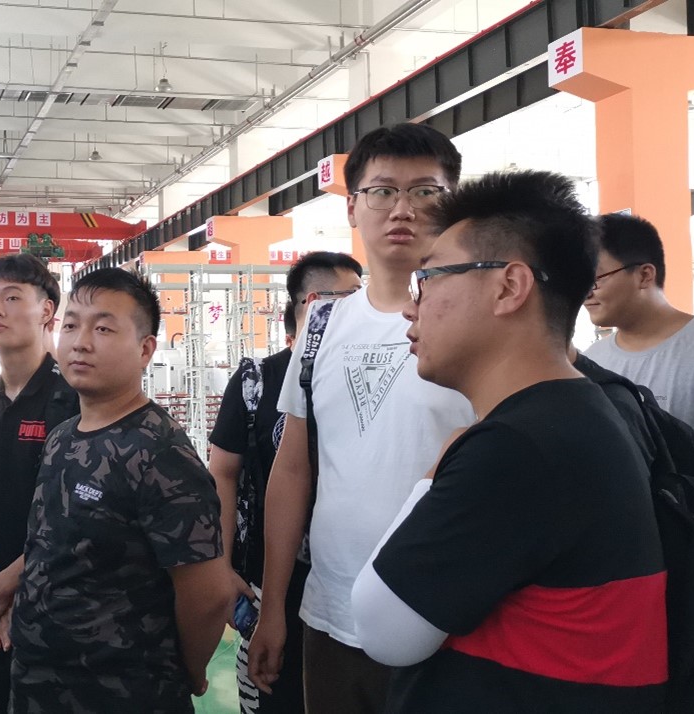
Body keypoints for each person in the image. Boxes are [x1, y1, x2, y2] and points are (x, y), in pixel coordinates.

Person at [351, 170, 668, 712]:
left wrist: (433, 476)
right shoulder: (581, 410)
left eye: (428, 278)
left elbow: (383, 630)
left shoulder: (519, 447)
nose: (410, 306)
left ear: (509, 287)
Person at [247, 123, 475, 713]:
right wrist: (273, 606)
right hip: (330, 613)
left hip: (446, 618)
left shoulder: (481, 321)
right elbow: (291, 471)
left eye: (425, 191)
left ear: (453, 201)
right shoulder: (322, 325)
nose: (403, 209)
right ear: (352, 207)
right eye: (382, 191)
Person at [9, 268, 236, 713]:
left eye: (103, 328)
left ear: (145, 349)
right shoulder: (63, 437)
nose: (80, 342)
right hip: (39, 687)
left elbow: (210, 595)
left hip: (124, 694)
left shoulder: (159, 452)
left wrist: (186, 671)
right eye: (71, 325)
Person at [207, 251, 363, 714]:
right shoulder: (256, 381)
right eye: (354, 300)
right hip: (268, 581)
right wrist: (223, 564)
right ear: (316, 304)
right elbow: (223, 474)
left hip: (349, 581)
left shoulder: (367, 377)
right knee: (272, 691)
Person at [0, 253, 79, 713]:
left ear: (47, 310)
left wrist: (5, 587)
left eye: (11, 298)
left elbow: (74, 518)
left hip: (56, 607)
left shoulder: (72, 398)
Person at [583, 213, 694, 556]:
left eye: (595, 278)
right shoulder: (591, 362)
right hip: (627, 551)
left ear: (644, 274)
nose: (585, 294)